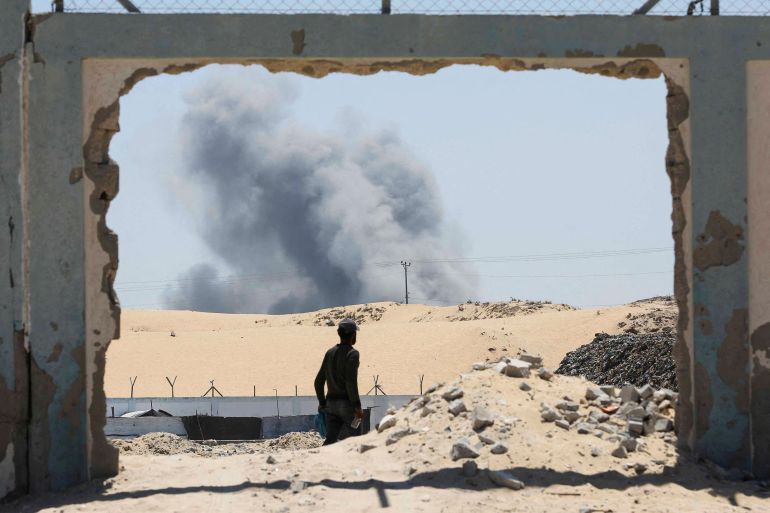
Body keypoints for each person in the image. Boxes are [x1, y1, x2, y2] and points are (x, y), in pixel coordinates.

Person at [314, 317, 364, 445]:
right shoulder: (353, 354)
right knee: (355, 441)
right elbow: (351, 383)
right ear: (353, 335)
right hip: (347, 405)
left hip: (330, 405)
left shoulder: (329, 353)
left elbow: (318, 381)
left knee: (330, 440)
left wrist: (322, 402)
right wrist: (357, 407)